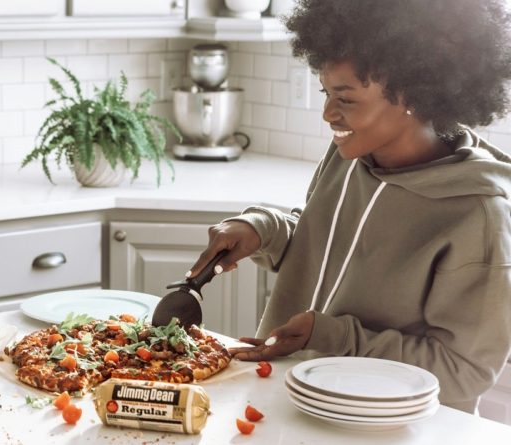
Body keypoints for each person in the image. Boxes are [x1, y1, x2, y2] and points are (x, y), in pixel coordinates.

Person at [187, 0, 511, 413]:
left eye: (346, 99)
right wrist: (262, 229)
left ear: (412, 95)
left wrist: (333, 338)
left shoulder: (475, 214)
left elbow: (464, 369)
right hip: (286, 402)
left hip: (388, 430)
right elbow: (323, 246)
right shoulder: (350, 154)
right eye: (326, 93)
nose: (327, 113)